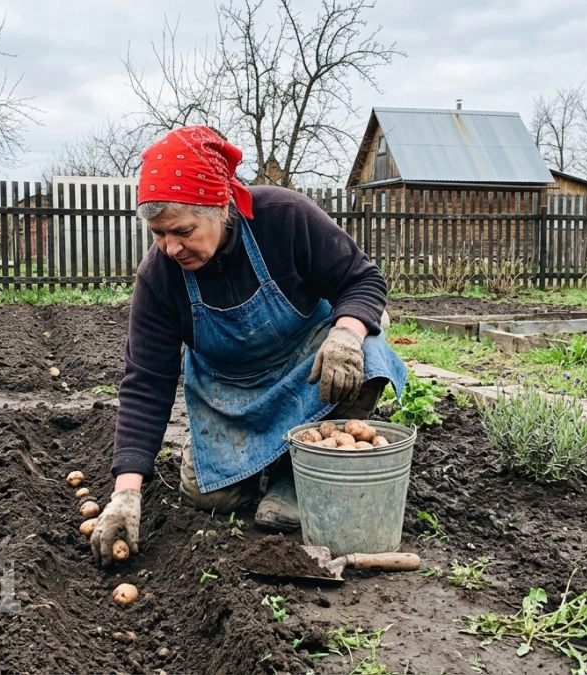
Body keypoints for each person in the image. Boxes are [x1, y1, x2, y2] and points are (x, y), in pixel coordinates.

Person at [90, 125, 408, 566]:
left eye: (182, 230)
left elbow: (362, 279)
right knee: (210, 498)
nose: (170, 247)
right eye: (158, 234)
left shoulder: (283, 217)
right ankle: (244, 460)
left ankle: (296, 477)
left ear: (220, 206)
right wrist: (126, 492)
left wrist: (347, 333)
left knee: (364, 354)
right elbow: (146, 382)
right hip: (231, 393)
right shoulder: (159, 276)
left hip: (307, 370)